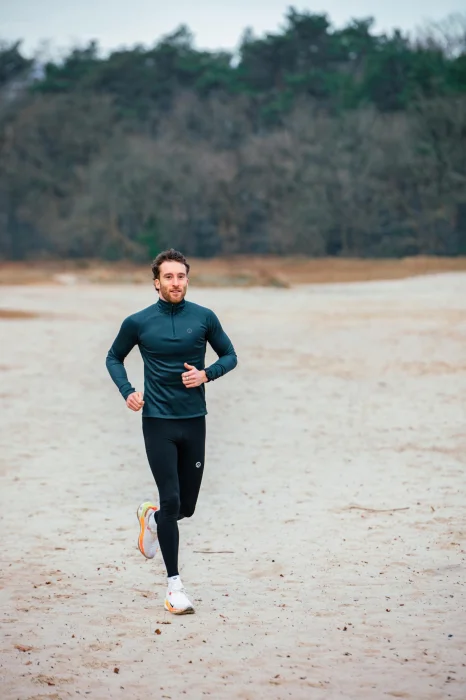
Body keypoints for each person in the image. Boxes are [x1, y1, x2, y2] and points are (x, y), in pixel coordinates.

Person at [105, 248, 237, 614]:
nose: (175, 283)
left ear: (187, 280)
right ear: (156, 283)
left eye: (180, 276)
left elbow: (230, 356)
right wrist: (127, 391)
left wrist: (206, 374)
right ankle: (174, 587)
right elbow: (114, 357)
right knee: (172, 499)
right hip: (158, 422)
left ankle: (152, 519)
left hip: (194, 420)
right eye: (168, 277)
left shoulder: (204, 317)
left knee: (185, 508)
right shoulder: (138, 322)